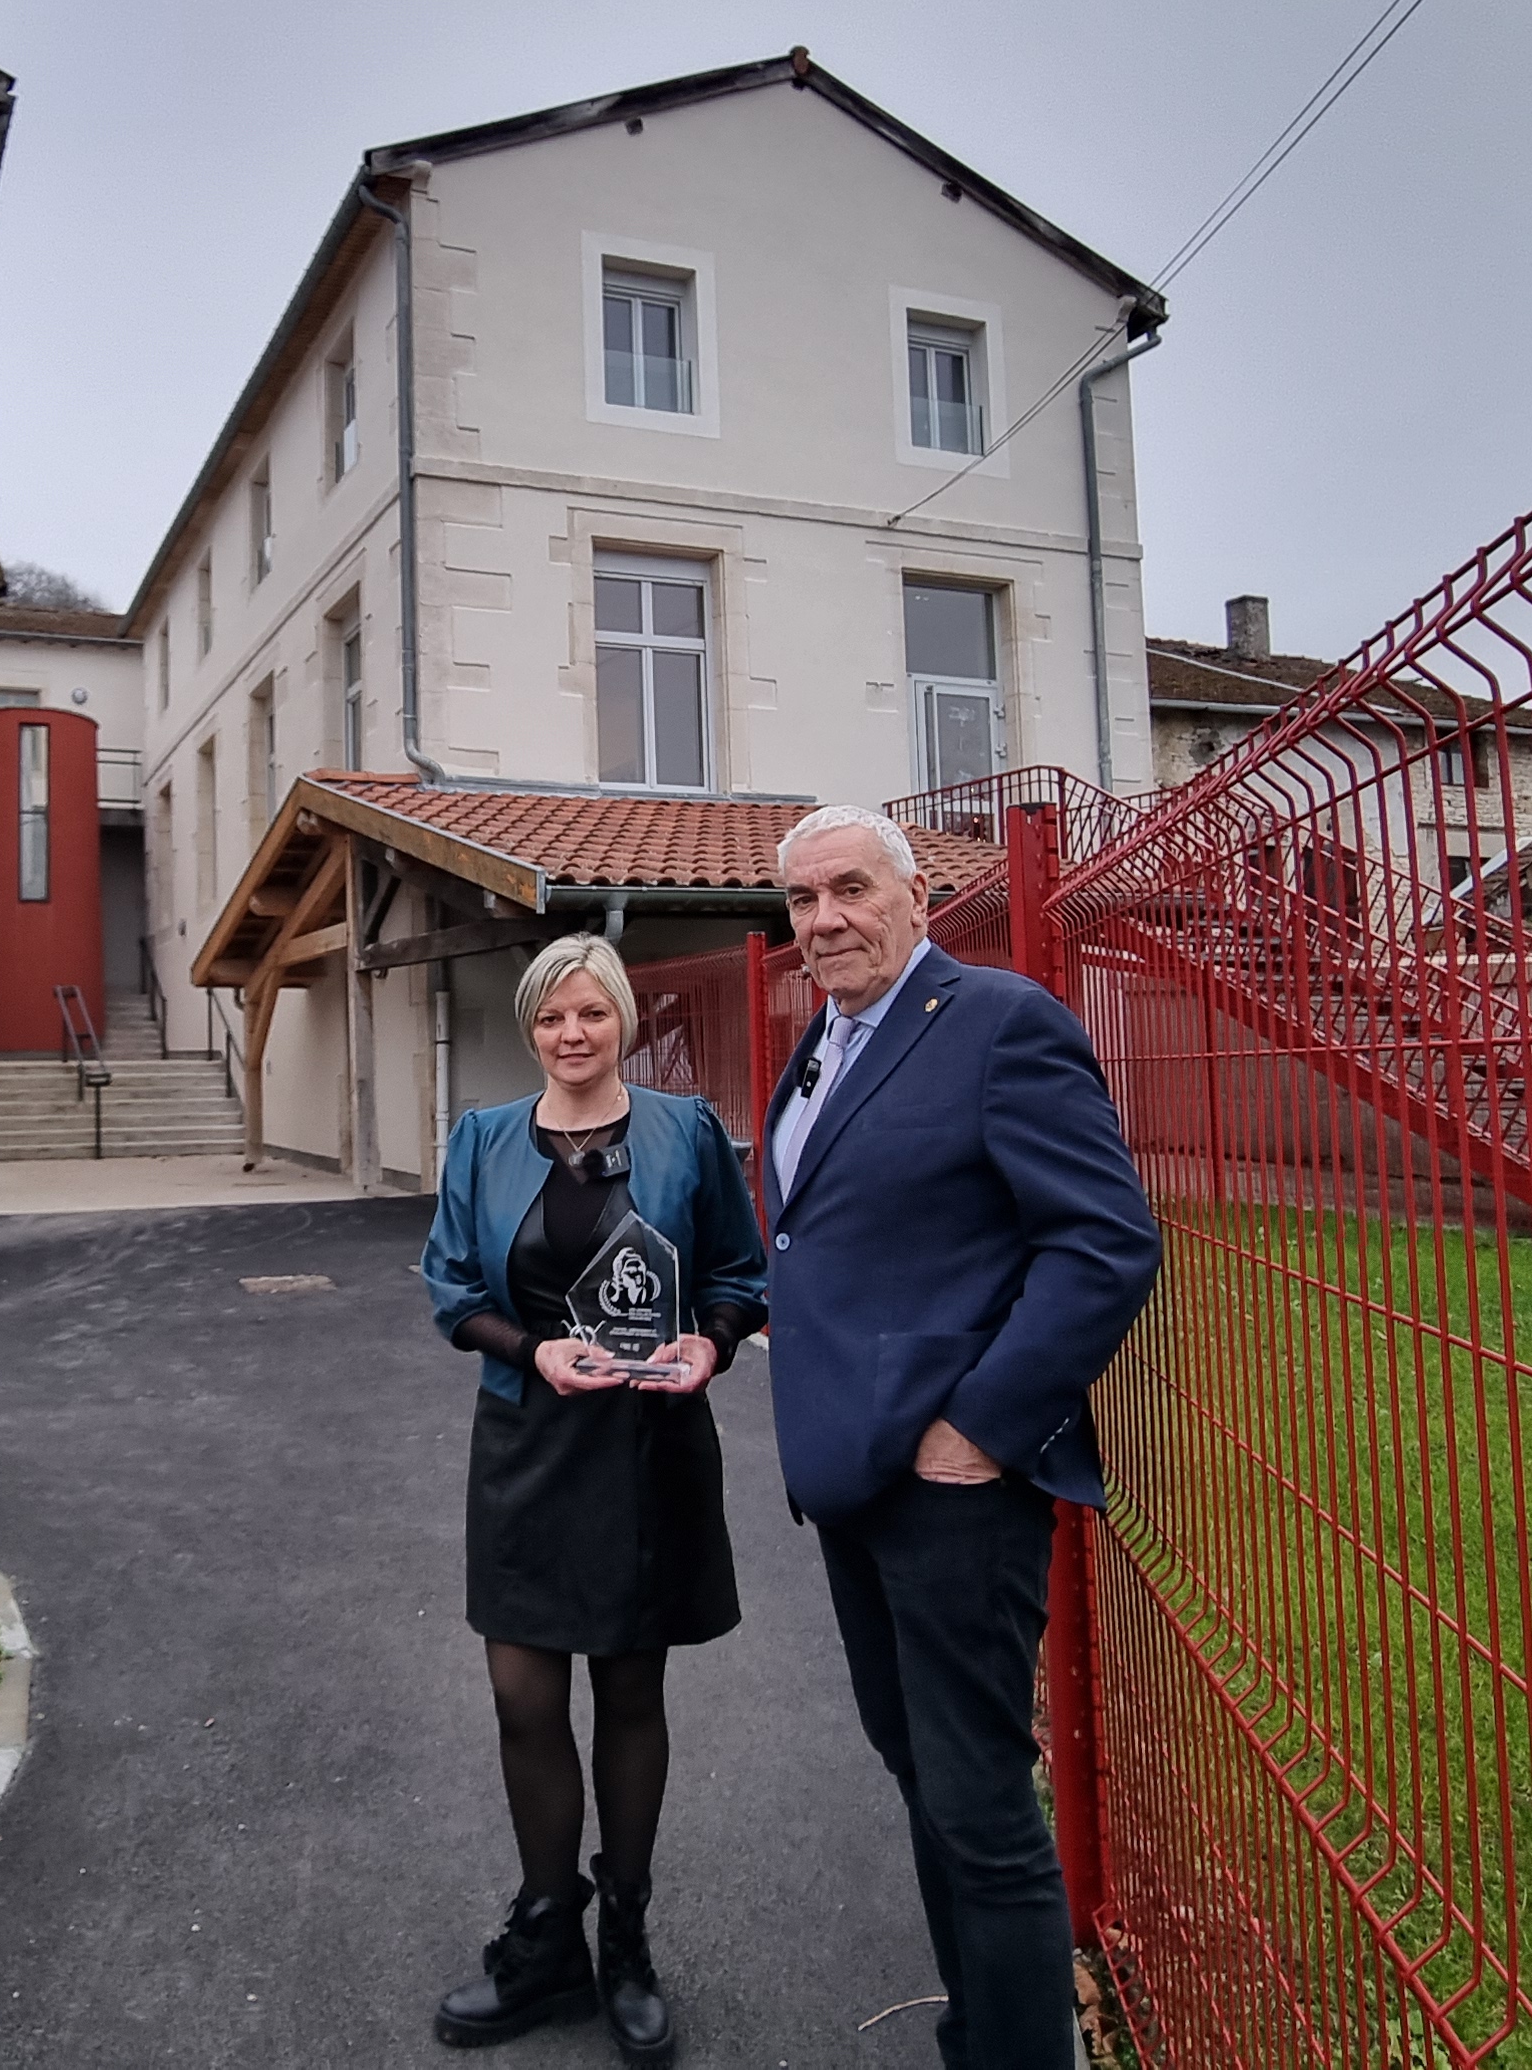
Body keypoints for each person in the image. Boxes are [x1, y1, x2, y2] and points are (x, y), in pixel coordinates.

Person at [758, 804, 1160, 2070]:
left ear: (919, 897)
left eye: (850, 890)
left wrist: (981, 1429)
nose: (824, 921)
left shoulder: (998, 1023)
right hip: (857, 1489)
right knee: (924, 1782)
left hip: (953, 1496)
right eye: (802, 902)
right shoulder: (824, 1038)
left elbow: (1105, 1244)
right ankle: (977, 2035)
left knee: (980, 1806)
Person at [421, 933, 769, 2067]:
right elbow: (451, 1286)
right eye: (551, 1019)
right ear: (532, 1029)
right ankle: (545, 1933)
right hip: (527, 1438)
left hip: (646, 1447)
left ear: (622, 1018)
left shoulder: (687, 1130)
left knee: (628, 1687)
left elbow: (736, 1272)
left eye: (592, 1014)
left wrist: (713, 1344)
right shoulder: (481, 1139)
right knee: (524, 1694)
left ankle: (626, 1940)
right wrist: (532, 1349)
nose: (572, 1036)